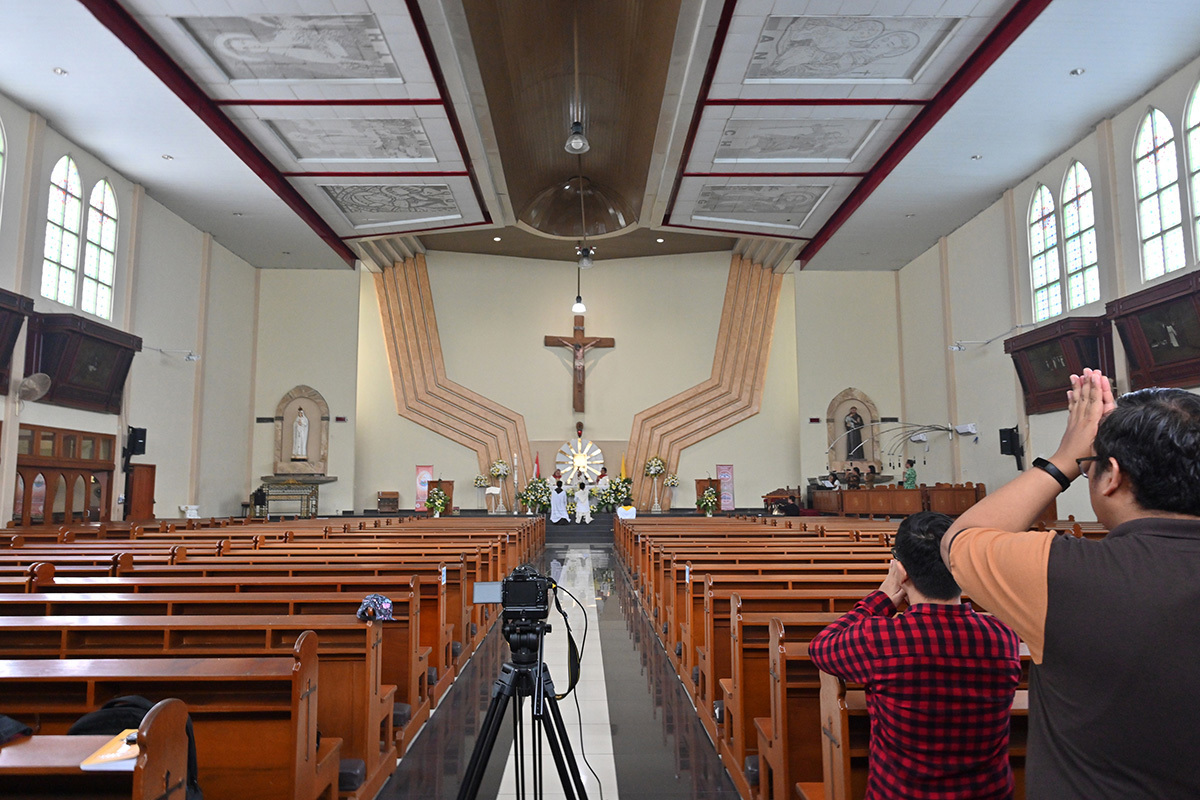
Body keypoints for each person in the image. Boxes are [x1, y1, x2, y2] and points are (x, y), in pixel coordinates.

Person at [940, 369, 1200, 798]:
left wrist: (1063, 458)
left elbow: (961, 539)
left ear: (1112, 476)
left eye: (1090, 468)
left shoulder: (1064, 575)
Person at [811, 511, 1021, 799]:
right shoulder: (1002, 635)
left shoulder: (881, 639)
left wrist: (883, 597)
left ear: (901, 571)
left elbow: (821, 646)